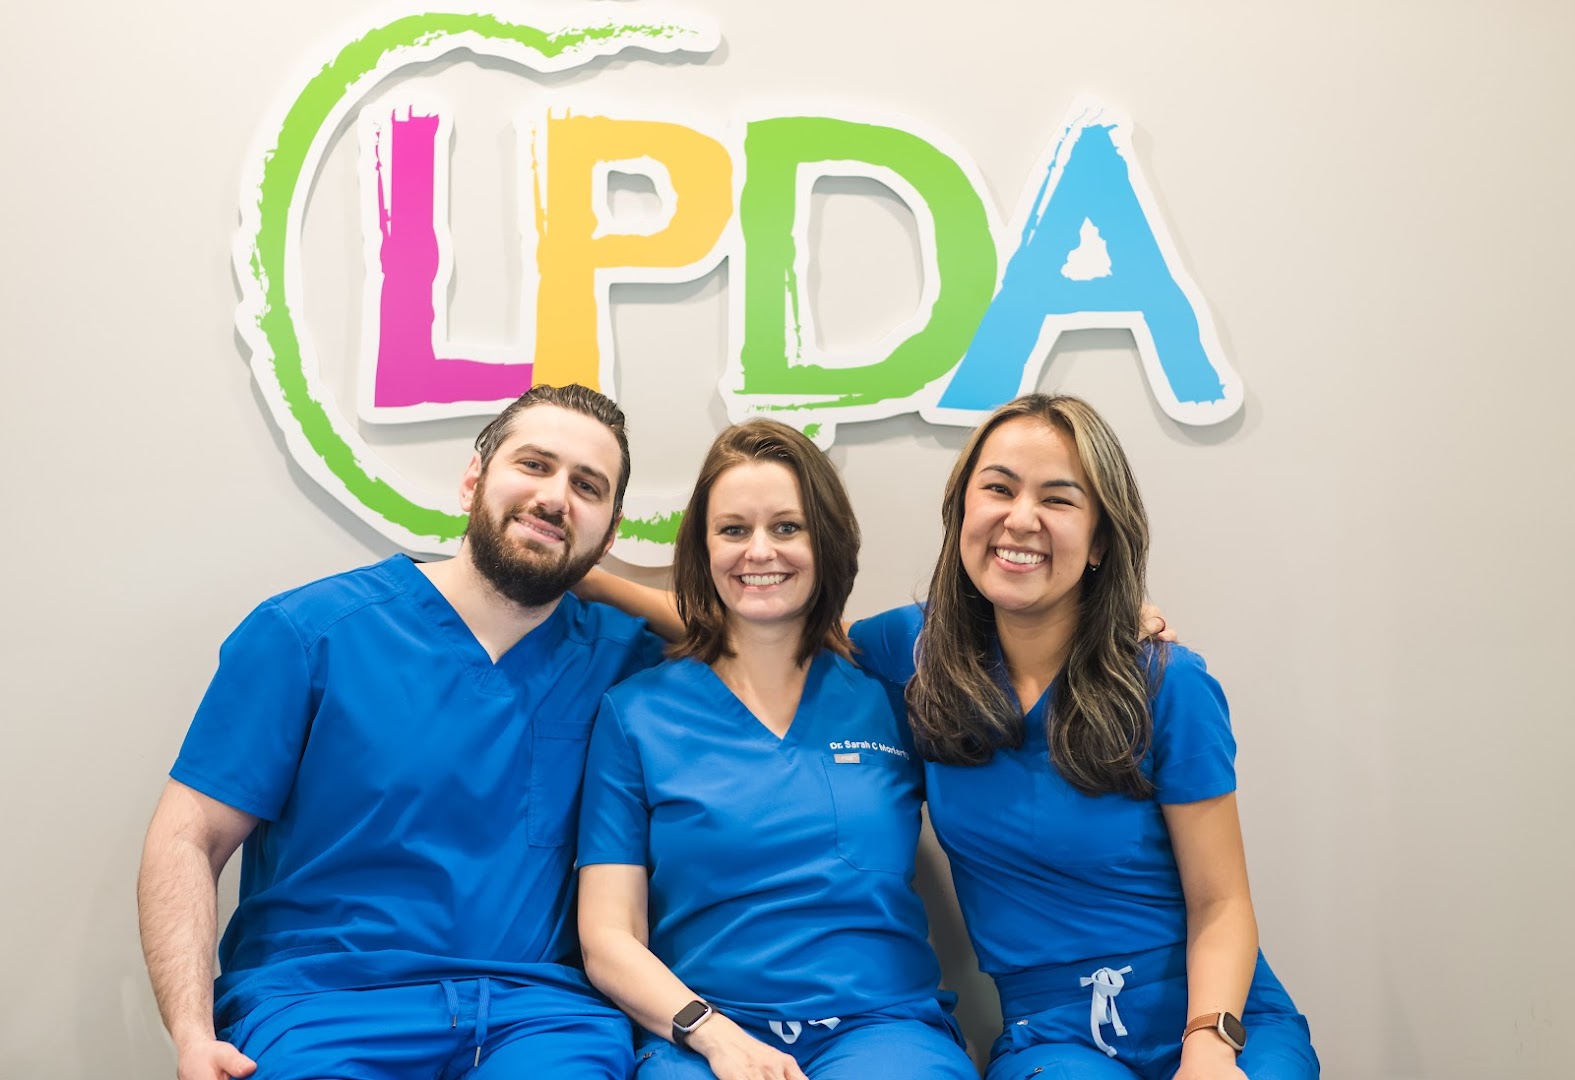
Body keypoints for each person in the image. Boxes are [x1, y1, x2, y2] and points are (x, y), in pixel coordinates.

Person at [136, 384, 667, 1080]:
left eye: (586, 487)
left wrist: (599, 580)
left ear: (611, 529)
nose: (554, 496)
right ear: (473, 480)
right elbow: (189, 837)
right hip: (321, 1006)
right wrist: (191, 1033)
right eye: (534, 465)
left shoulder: (626, 662)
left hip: (540, 1020)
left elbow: (769, 628)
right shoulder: (310, 634)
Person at [849, 394, 1319, 1079]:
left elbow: (1220, 901)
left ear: (1099, 541)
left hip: (1216, 1013)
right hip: (1051, 1038)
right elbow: (758, 625)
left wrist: (1208, 1047)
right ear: (960, 512)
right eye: (998, 489)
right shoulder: (915, 651)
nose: (1021, 519)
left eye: (1058, 499)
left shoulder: (1168, 683)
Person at [574, 420, 977, 1080]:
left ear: (827, 540)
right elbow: (608, 935)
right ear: (703, 548)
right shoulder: (636, 714)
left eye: (787, 527)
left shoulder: (891, 687)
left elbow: (1029, 629)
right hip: (703, 1033)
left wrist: (1119, 619)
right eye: (733, 530)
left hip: (883, 1031)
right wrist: (711, 1035)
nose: (759, 551)